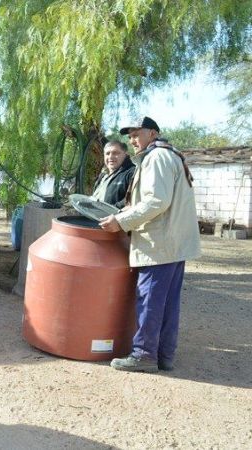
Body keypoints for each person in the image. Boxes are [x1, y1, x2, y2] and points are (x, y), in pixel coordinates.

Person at [99, 116, 201, 373]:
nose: (133, 139)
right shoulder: (169, 156)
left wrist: (121, 221)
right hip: (173, 244)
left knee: (149, 300)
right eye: (130, 135)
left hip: (159, 244)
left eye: (137, 134)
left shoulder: (156, 158)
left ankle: (144, 355)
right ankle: (164, 355)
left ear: (153, 134)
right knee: (166, 302)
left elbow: (157, 201)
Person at [92, 140, 135, 208]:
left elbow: (133, 199)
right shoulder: (102, 175)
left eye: (115, 153)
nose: (110, 157)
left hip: (116, 217)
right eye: (107, 153)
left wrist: (109, 210)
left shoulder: (132, 172)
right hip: (94, 217)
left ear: (126, 154)